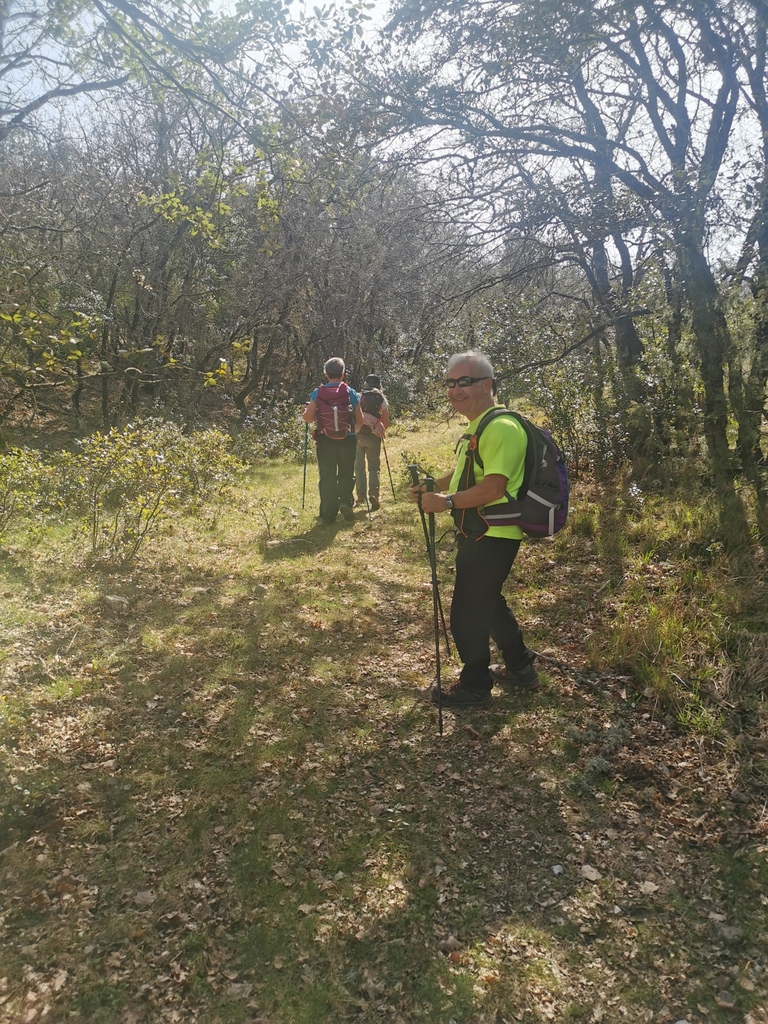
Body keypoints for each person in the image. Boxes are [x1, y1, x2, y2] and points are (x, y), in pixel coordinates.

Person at [408, 350, 539, 708]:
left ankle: (475, 688)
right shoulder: (479, 425)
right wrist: (435, 484)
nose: (455, 390)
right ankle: (521, 667)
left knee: (468, 611)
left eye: (464, 382)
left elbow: (493, 488)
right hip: (482, 531)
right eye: (450, 383)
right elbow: (470, 471)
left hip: (492, 534)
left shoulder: (501, 427)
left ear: (488, 384)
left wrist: (446, 502)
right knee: (488, 602)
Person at [303, 357, 363, 524]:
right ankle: (345, 502)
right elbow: (360, 419)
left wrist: (304, 412)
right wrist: (353, 432)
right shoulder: (350, 392)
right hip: (348, 439)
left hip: (325, 439)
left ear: (325, 374)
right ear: (343, 374)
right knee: (345, 472)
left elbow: (308, 418)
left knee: (327, 476)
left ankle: (328, 515)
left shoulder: (318, 392)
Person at [355, 373, 390, 512]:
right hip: (373, 437)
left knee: (358, 467)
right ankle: (373, 494)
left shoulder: (357, 396)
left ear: (365, 384)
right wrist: (378, 429)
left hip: (358, 435)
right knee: (374, 467)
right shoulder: (380, 398)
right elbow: (386, 422)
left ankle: (361, 496)